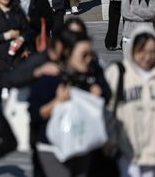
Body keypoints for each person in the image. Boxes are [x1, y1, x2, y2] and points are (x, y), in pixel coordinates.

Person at [29, 31, 110, 177]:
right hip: (53, 148)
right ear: (68, 53)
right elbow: (35, 113)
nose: (89, 59)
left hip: (83, 144)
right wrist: (57, 102)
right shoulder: (51, 77)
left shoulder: (91, 76)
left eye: (90, 54)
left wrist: (97, 95)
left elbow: (108, 96)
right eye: (83, 55)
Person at [105, 27, 155, 177]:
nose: (147, 57)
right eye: (142, 51)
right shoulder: (119, 74)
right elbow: (107, 109)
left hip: (152, 151)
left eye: (152, 52)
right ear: (132, 50)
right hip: (125, 150)